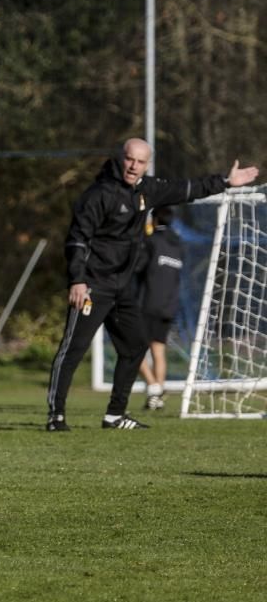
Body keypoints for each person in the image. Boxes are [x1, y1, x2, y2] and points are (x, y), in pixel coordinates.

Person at [45, 138, 258, 431]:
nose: (133, 166)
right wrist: (78, 280)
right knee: (73, 350)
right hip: (94, 286)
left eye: (140, 162)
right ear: (120, 158)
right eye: (129, 159)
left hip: (123, 288)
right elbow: (77, 240)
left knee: (135, 346)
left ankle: (114, 415)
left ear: (147, 164)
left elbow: (186, 189)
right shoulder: (98, 195)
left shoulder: (147, 189)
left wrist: (225, 181)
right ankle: (56, 416)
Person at [137, 206, 184, 411]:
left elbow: (138, 269)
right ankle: (157, 398)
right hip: (169, 305)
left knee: (132, 349)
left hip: (147, 304)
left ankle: (154, 387)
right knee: (158, 350)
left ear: (154, 220)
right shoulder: (179, 245)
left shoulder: (151, 242)